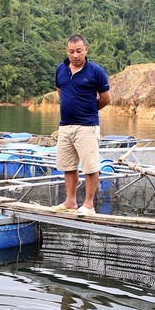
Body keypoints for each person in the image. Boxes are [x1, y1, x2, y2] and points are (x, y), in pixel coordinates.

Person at [53, 34, 112, 216]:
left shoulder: (96, 71)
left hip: (87, 126)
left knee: (90, 166)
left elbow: (106, 98)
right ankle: (70, 201)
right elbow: (60, 91)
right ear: (66, 51)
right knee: (68, 166)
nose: (75, 55)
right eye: (71, 51)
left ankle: (88, 204)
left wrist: (89, 110)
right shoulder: (60, 70)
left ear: (86, 50)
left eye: (79, 51)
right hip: (65, 126)